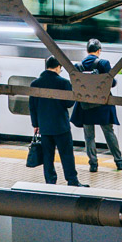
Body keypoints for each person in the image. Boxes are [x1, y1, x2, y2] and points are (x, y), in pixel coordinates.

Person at [74, 39, 122, 172]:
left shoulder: (79, 66)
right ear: (99, 50)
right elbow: (111, 83)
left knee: (89, 136)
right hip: (103, 104)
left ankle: (93, 164)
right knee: (109, 133)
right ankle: (119, 162)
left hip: (85, 106)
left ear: (87, 50)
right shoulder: (104, 63)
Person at [28, 56, 82, 186]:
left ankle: (50, 181)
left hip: (44, 127)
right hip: (61, 127)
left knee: (48, 156)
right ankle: (72, 180)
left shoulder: (35, 83)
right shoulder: (63, 83)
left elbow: (32, 106)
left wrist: (35, 124)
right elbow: (69, 103)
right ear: (58, 67)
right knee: (67, 155)